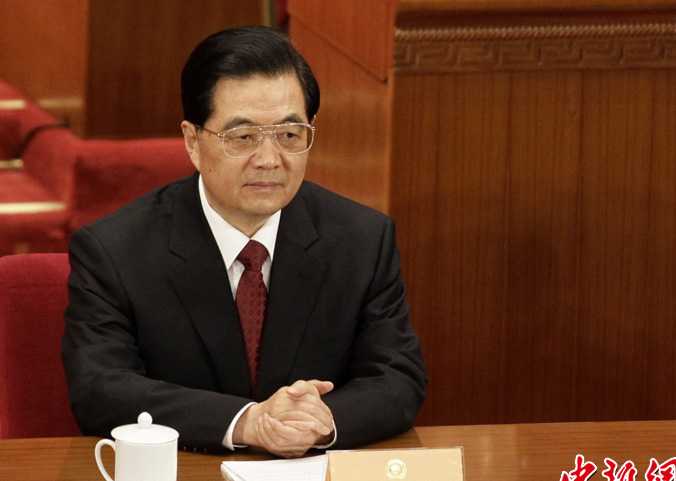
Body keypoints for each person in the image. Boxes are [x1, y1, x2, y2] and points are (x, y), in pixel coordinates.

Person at [62, 26, 427, 458]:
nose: (269, 159)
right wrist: (247, 422)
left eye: (289, 135)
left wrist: (320, 422)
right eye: (243, 137)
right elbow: (101, 388)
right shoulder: (115, 251)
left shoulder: (362, 239)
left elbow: (398, 376)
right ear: (193, 142)